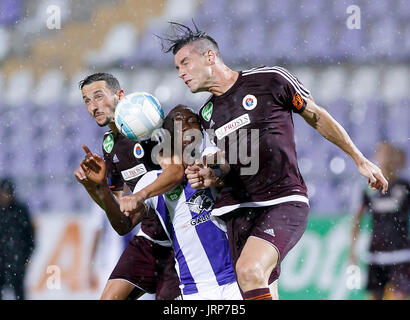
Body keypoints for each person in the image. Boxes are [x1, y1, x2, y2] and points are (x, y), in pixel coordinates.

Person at [160, 22, 389, 300]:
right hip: (236, 212)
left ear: (209, 56)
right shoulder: (206, 113)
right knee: (260, 287)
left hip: (281, 201)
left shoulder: (270, 79)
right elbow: (224, 163)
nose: (181, 73)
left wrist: (359, 159)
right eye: (176, 69)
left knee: (249, 270)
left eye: (185, 63)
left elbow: (316, 115)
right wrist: (210, 176)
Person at [79, 105, 243, 300]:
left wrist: (212, 171)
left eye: (194, 123)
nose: (190, 129)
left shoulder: (210, 159)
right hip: (194, 291)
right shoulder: (151, 182)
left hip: (235, 282)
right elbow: (123, 226)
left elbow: (222, 163)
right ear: (169, 138)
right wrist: (99, 189)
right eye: (181, 126)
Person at [75, 73, 183, 300]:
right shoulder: (110, 146)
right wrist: (96, 188)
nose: (93, 107)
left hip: (182, 235)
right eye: (87, 101)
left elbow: (175, 171)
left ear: (119, 95)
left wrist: (141, 195)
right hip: (152, 238)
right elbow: (123, 223)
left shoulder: (147, 122)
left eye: (98, 96)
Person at [350, 142, 409, 300]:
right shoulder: (369, 187)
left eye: (389, 155)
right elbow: (357, 219)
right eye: (382, 155)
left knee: (399, 296)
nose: (386, 159)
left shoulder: (404, 186)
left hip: (401, 254)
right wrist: (352, 252)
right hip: (376, 255)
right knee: (374, 296)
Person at [0, 178, 35, 300]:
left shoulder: (20, 210)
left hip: (17, 262)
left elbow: (30, 237)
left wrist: (27, 258)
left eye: (7, 193)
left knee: (19, 293)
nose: (5, 196)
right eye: (3, 193)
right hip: (2, 262)